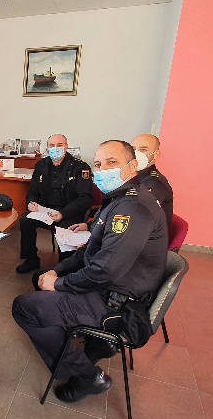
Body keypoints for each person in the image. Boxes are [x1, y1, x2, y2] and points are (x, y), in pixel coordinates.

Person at [11, 141, 168, 403]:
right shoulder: (118, 200)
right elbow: (88, 251)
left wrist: (59, 284)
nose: (102, 169)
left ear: (132, 166)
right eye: (98, 164)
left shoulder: (132, 209)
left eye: (111, 162)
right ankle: (90, 344)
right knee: (39, 278)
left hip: (115, 303)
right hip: (110, 286)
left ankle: (86, 375)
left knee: (23, 307)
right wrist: (57, 272)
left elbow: (102, 272)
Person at [16, 134, 93, 274]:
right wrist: (31, 203)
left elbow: (86, 197)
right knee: (25, 220)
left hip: (69, 212)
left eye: (59, 145)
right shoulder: (41, 165)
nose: (55, 149)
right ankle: (31, 259)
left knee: (65, 227)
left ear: (66, 147)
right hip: (45, 211)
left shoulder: (80, 167)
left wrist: (63, 213)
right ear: (47, 148)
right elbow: (33, 191)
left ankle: (64, 266)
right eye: (52, 146)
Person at [131, 133, 174, 226]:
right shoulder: (134, 176)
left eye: (143, 149)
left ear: (156, 154)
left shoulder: (154, 183)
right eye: (133, 149)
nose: (136, 153)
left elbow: (139, 218)